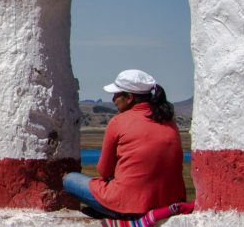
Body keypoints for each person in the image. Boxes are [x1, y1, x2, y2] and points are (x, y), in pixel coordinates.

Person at [63, 69, 186, 219]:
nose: (113, 99)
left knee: (70, 180)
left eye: (116, 94)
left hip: (129, 206)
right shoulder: (169, 122)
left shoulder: (118, 121)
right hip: (166, 204)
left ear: (129, 97)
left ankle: (108, 210)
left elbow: (104, 171)